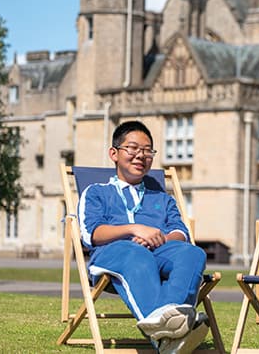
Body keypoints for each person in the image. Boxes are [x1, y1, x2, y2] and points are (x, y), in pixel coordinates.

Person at [78, 120, 208, 354]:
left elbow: (181, 233)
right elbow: (91, 233)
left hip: (159, 251)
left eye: (147, 150)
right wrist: (134, 229)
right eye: (133, 148)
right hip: (113, 255)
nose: (141, 155)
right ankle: (177, 331)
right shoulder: (97, 192)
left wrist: (156, 239)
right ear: (114, 153)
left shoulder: (163, 198)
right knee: (136, 252)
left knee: (193, 253)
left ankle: (168, 339)